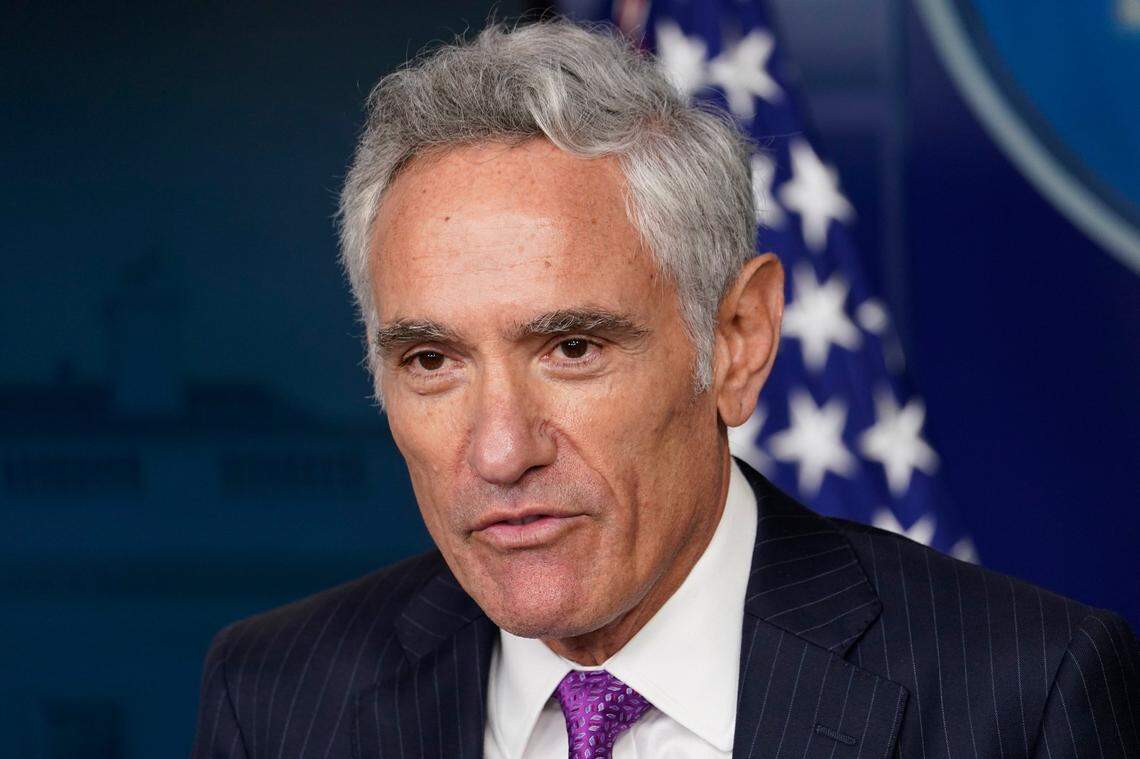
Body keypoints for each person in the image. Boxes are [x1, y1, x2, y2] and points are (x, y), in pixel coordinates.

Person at [190, 20, 1139, 759]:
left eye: (570, 346)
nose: (498, 449)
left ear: (737, 340)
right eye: (432, 361)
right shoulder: (278, 693)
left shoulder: (1021, 695)